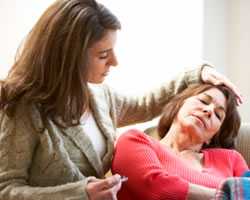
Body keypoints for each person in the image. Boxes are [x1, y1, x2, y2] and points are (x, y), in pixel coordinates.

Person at [0, 0, 243, 199]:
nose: (114, 62)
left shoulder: (101, 97)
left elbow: (147, 103)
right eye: (103, 55)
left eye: (219, 113)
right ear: (70, 57)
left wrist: (197, 73)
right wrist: (79, 193)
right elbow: (5, 190)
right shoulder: (22, 109)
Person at [112, 83, 249, 200]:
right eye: (203, 101)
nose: (208, 110)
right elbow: (155, 188)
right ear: (179, 105)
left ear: (212, 136)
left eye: (218, 115)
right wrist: (225, 195)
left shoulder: (231, 159)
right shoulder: (135, 140)